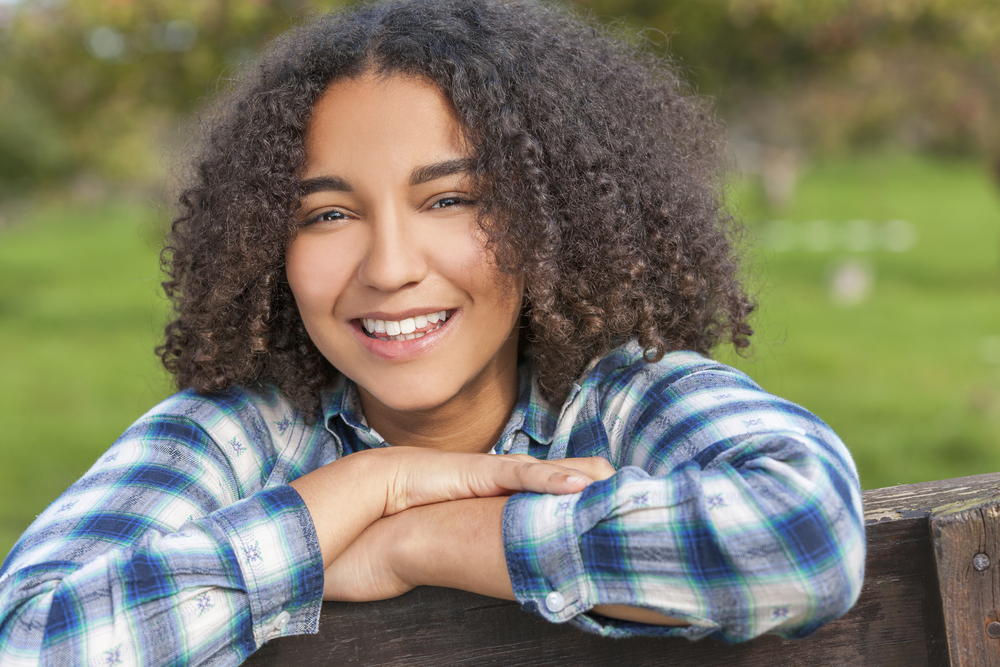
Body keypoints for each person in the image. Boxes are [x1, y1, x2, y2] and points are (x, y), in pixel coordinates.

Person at [0, 0, 866, 664]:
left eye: (450, 199)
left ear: (549, 213)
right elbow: (29, 637)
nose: (388, 265)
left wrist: (423, 538)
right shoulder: (235, 431)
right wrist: (370, 484)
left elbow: (805, 532)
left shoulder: (621, 402)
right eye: (328, 213)